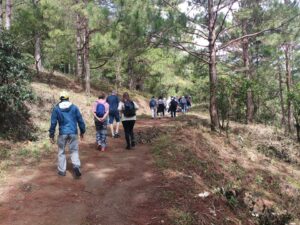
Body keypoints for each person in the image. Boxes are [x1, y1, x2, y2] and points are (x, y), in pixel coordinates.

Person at [49, 91, 86, 177]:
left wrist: (51, 134)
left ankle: (62, 171)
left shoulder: (56, 108)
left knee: (61, 152)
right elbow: (80, 120)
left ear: (60, 99)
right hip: (73, 132)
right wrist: (82, 131)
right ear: (68, 98)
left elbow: (53, 123)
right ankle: (76, 166)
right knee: (74, 150)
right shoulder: (74, 107)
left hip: (62, 133)